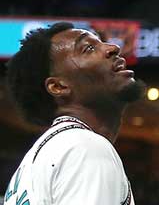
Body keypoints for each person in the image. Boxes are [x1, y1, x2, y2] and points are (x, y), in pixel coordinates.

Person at [4, 22, 145, 205]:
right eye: (88, 48)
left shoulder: (41, 158)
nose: (113, 47)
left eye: (101, 42)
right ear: (59, 86)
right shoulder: (85, 148)